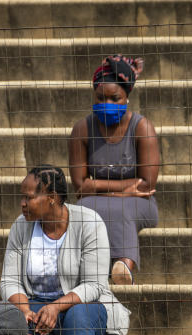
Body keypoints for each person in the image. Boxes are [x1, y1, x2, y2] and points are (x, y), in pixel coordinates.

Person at [0, 165, 130, 335]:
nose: (22, 204)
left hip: (89, 309)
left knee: (77, 315)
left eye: (29, 198)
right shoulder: (21, 225)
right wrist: (25, 310)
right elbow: (9, 280)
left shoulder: (89, 222)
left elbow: (94, 285)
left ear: (52, 198)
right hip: (37, 306)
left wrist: (56, 307)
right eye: (22, 197)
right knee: (7, 317)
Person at [68, 55, 159, 285]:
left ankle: (123, 267)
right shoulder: (82, 129)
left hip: (139, 203)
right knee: (81, 209)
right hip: (100, 200)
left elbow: (147, 184)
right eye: (101, 98)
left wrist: (98, 186)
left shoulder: (142, 127)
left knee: (121, 210)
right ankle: (87, 270)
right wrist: (122, 190)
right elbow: (80, 187)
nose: (107, 103)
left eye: (114, 98)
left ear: (126, 97)